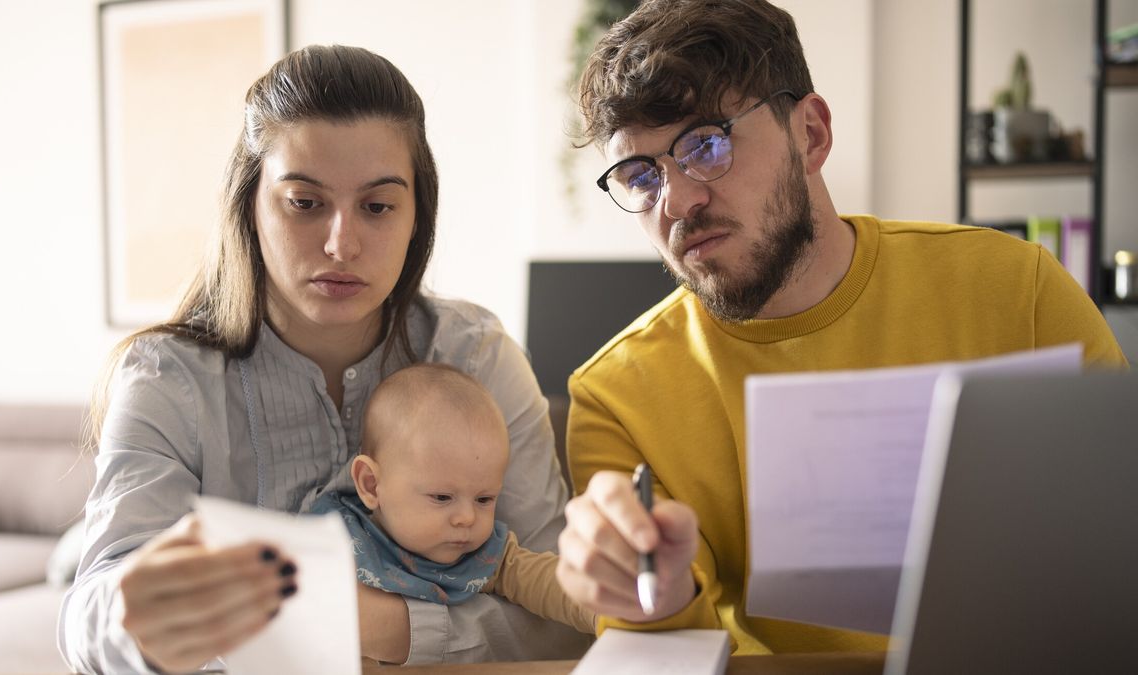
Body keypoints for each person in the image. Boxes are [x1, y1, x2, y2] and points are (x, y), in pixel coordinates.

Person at [554, 0, 1128, 657]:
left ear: (812, 134)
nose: (677, 201)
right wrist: (651, 590)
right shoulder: (617, 397)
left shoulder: (1014, 289)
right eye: (640, 175)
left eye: (707, 145)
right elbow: (662, 649)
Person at [59, 44, 587, 674]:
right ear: (249, 207)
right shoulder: (164, 377)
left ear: (418, 217)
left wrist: (381, 628)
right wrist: (134, 621)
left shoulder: (478, 354)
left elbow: (569, 614)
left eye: (378, 206)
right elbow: (87, 617)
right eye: (305, 203)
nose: (342, 244)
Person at [308, 363, 596, 634]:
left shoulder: (487, 557)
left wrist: (606, 609)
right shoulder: (330, 537)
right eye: (442, 497)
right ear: (371, 485)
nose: (467, 518)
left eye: (484, 499)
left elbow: (550, 583)